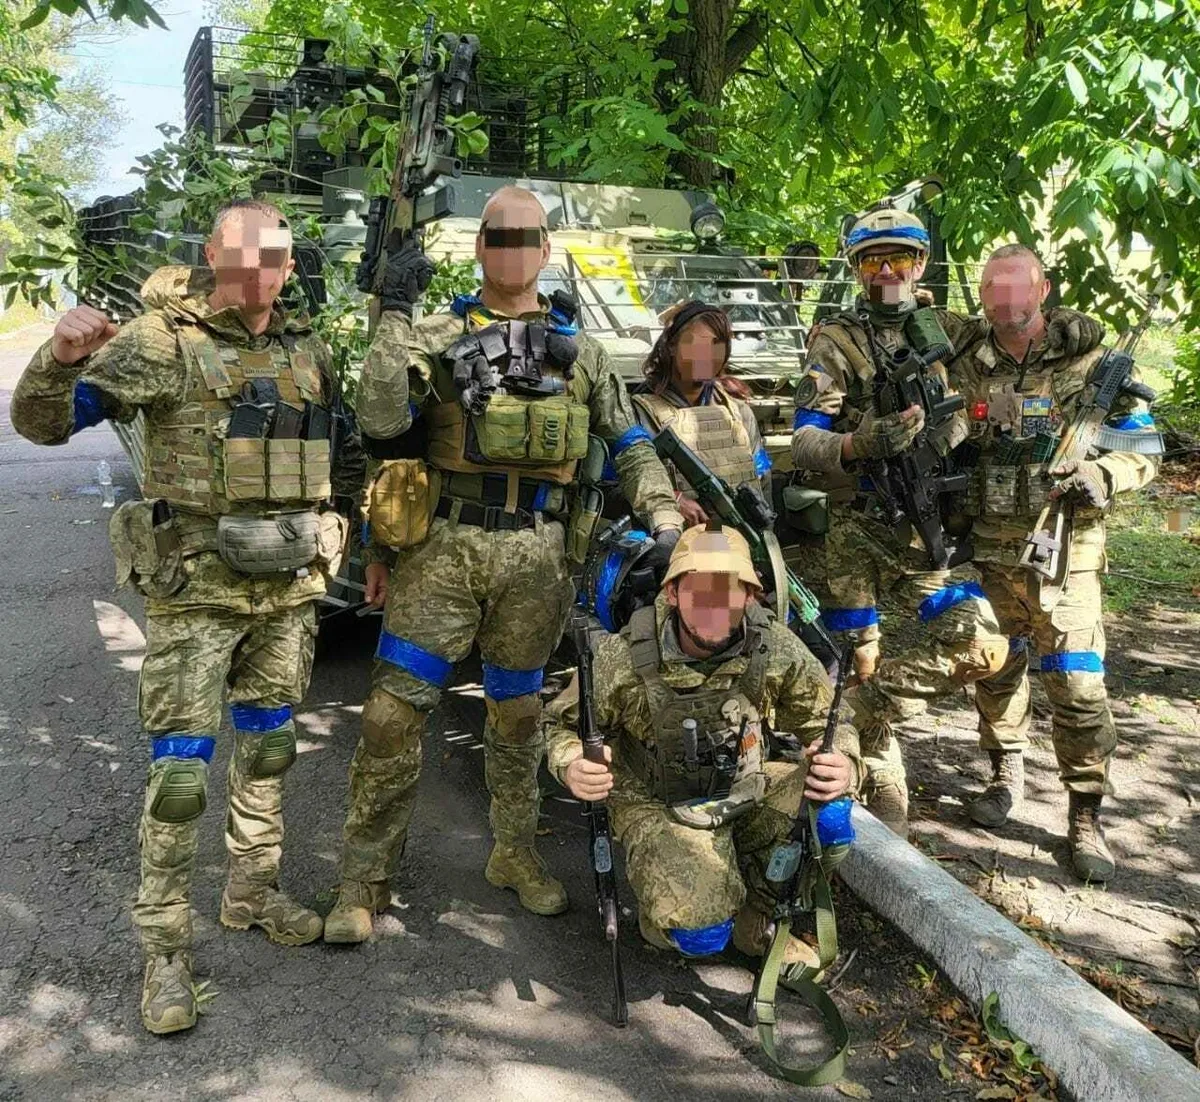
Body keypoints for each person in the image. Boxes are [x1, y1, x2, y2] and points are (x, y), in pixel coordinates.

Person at [10, 199, 350, 1034]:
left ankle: (252, 892)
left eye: (272, 255)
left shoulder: (309, 350)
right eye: (240, 253)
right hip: (196, 587)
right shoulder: (160, 343)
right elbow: (43, 424)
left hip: (287, 591)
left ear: (290, 264)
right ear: (211, 255)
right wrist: (57, 358)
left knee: (269, 747)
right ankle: (165, 950)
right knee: (181, 776)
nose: (256, 269)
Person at [324, 186, 683, 941]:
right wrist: (391, 312)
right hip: (442, 550)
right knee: (392, 715)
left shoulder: (581, 353)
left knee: (518, 715)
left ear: (546, 251)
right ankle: (364, 879)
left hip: (538, 557)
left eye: (528, 236)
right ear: (481, 246)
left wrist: (663, 515)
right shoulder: (432, 333)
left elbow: (631, 444)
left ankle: (514, 854)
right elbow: (382, 419)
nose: (514, 248)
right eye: (499, 235)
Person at [788, 208, 1012, 835]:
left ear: (920, 264)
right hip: (856, 527)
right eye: (871, 260)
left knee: (981, 644)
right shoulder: (836, 340)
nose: (886, 271)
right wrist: (861, 443)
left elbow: (1023, 344)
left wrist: (1070, 330)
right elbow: (803, 440)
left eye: (899, 259)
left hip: (928, 529)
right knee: (856, 655)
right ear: (857, 270)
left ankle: (853, 726)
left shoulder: (953, 331)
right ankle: (880, 774)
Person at [545, 524, 861, 963]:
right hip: (659, 801)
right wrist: (572, 763)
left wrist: (843, 759)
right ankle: (674, 910)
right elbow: (558, 724)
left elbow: (831, 719)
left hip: (743, 785)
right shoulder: (624, 657)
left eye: (729, 591)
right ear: (672, 593)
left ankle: (761, 917)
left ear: (749, 597)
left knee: (832, 813)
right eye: (699, 590)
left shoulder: (775, 648)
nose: (714, 605)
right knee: (703, 935)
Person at [953, 244, 1160, 880]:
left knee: (1074, 681)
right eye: (993, 287)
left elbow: (1144, 446)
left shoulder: (1094, 363)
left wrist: (1106, 472)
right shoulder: (964, 363)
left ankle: (1085, 814)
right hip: (988, 547)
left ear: (1042, 291)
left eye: (1017, 287)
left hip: (1066, 553)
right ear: (983, 295)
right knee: (996, 668)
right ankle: (1004, 768)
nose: (1005, 299)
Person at [631, 300, 772, 526]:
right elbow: (610, 489)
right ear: (671, 346)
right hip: (670, 544)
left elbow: (762, 482)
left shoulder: (739, 412)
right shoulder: (637, 413)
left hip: (736, 543)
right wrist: (673, 499)